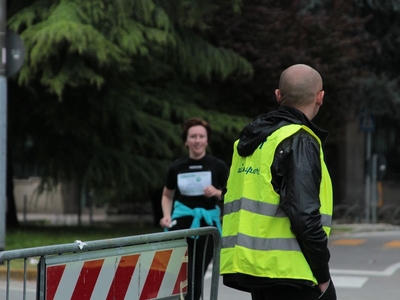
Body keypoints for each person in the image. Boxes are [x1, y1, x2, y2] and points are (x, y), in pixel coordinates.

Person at [220, 64, 337, 300]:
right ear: (320, 97)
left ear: (278, 95)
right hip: (292, 274)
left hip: (254, 270)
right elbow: (304, 216)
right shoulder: (299, 140)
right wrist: (323, 276)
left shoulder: (249, 141)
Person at [159, 117, 229, 300]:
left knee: (196, 275)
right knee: (176, 275)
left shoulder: (218, 166)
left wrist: (217, 193)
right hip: (181, 226)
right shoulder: (177, 166)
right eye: (193, 136)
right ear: (186, 140)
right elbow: (167, 195)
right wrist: (166, 216)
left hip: (206, 226)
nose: (197, 140)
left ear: (207, 140)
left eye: (201, 136)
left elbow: (232, 196)